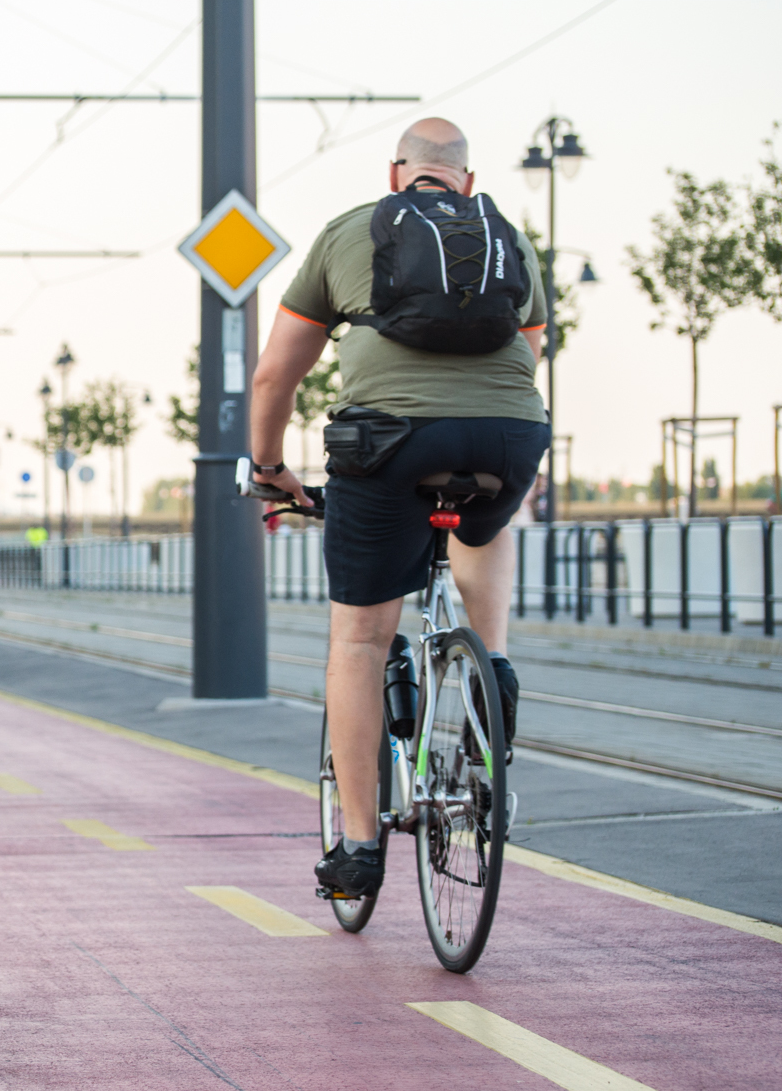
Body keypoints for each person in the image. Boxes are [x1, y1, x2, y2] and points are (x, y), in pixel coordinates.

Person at [247, 117, 548, 902]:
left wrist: (272, 468)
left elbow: (273, 376)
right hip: (511, 435)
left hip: (387, 445)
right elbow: (530, 349)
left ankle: (356, 843)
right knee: (487, 522)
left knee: (359, 639)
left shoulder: (349, 231)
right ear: (466, 183)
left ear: (396, 175)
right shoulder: (506, 237)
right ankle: (493, 666)